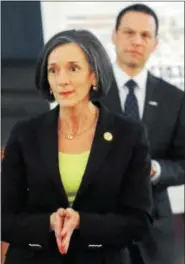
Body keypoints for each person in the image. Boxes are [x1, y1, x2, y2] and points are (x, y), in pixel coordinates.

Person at [1, 29, 152, 264]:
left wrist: (82, 222)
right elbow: (4, 219)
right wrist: (49, 223)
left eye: (73, 68)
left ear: (94, 76)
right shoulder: (24, 134)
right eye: (53, 70)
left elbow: (139, 222)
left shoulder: (129, 135)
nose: (62, 80)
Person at [103, 3, 185, 264]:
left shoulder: (175, 98)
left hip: (156, 234)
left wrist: (157, 170)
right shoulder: (87, 94)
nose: (136, 41)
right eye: (129, 32)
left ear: (155, 44)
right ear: (114, 35)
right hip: (100, 229)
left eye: (145, 35)